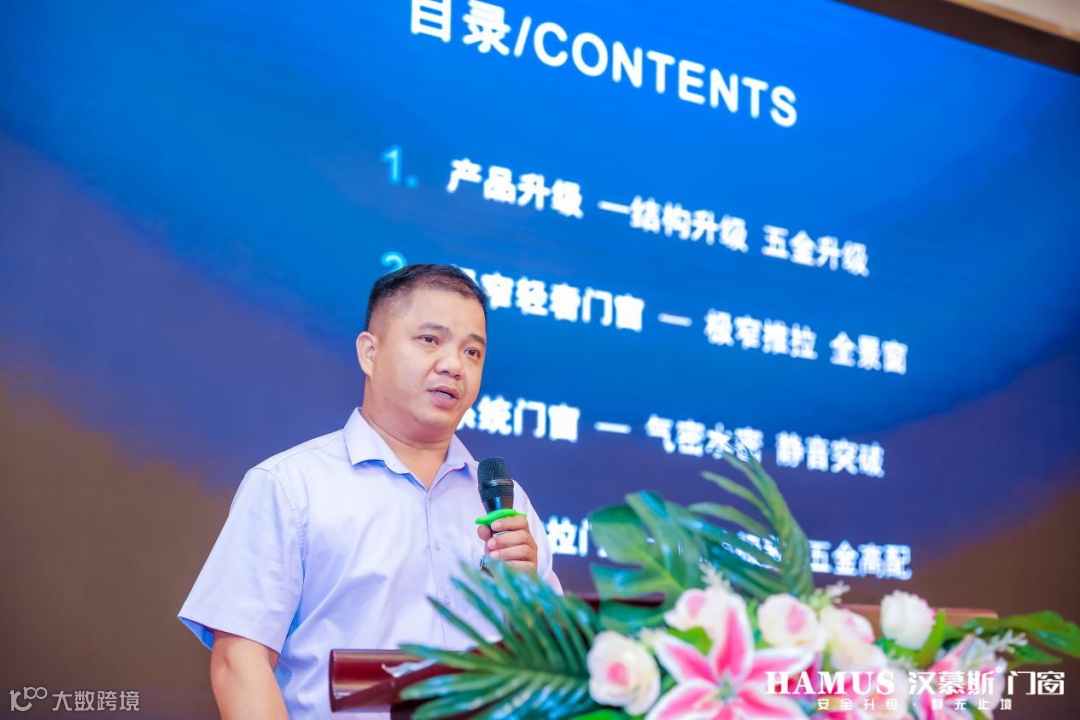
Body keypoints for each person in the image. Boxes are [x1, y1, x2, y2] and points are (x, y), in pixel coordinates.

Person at [179, 264, 561, 719]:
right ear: (370, 352)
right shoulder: (291, 485)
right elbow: (240, 662)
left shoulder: (505, 502)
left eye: (472, 351)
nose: (454, 365)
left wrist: (528, 598)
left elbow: (563, 671)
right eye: (430, 339)